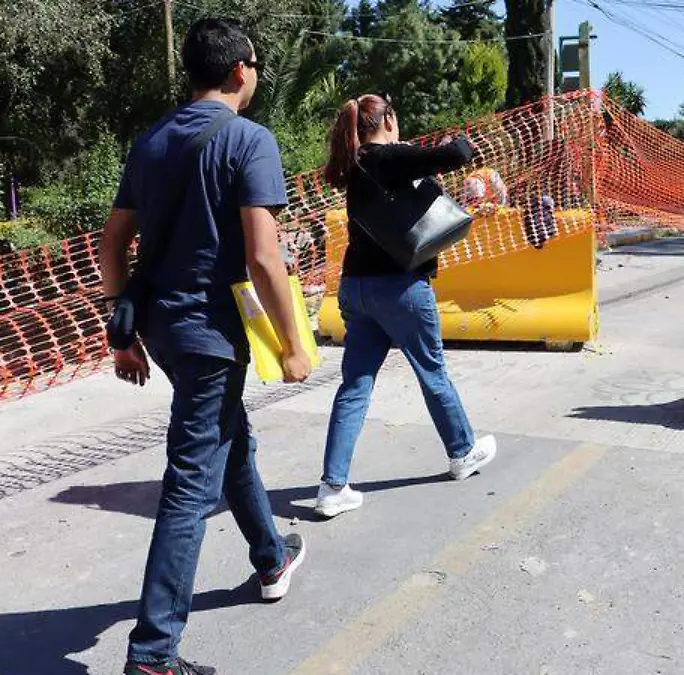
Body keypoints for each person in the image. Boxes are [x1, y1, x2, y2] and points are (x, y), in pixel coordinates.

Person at [100, 18, 310, 675]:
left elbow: (111, 246)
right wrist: (293, 344)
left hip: (161, 328)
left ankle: (271, 554)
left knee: (227, 436)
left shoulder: (152, 140)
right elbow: (265, 258)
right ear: (241, 69)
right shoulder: (250, 141)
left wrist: (123, 328)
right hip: (210, 337)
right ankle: (154, 653)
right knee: (191, 484)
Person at [315, 94, 497, 518]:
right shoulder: (387, 156)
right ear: (388, 120)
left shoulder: (354, 166)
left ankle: (332, 486)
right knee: (431, 370)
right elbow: (451, 155)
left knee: (355, 385)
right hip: (399, 287)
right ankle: (462, 451)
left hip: (356, 287)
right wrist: (466, 141)